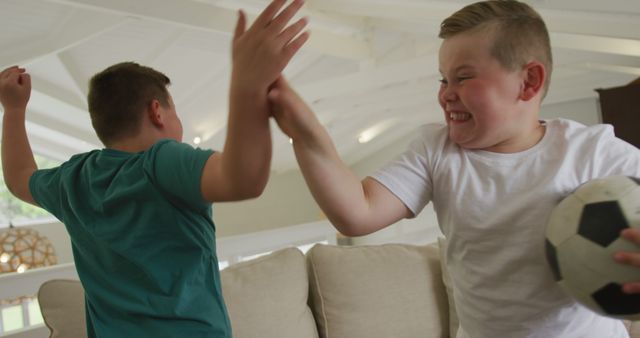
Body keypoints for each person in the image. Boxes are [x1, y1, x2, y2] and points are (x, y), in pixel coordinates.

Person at [268, 1, 640, 337]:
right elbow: (357, 212)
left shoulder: (590, 151)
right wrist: (308, 136)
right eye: (443, 79)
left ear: (528, 82)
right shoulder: (437, 150)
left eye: (463, 77)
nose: (446, 93)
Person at [0, 0, 309, 337]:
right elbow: (244, 180)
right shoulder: (163, 161)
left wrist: (14, 109)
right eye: (174, 111)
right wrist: (248, 86)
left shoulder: (74, 178)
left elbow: (18, 180)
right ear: (157, 112)